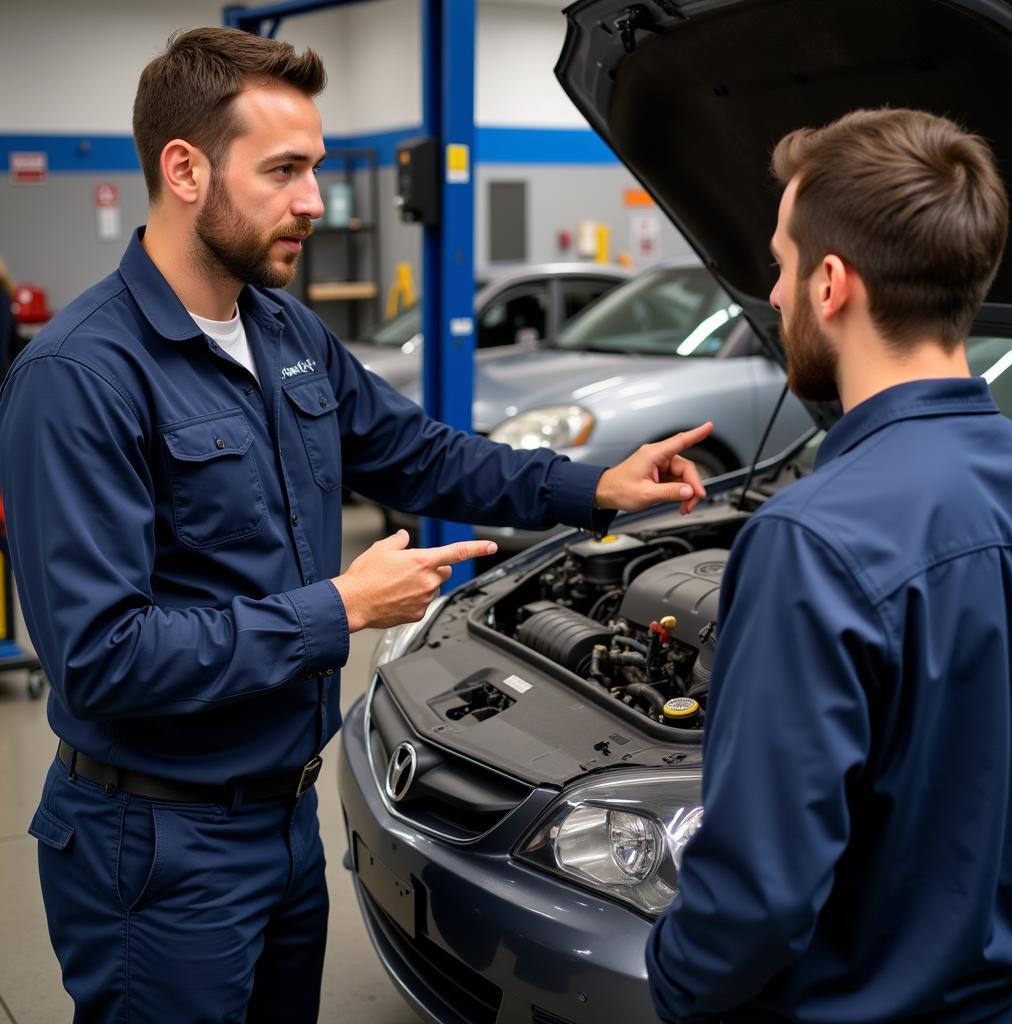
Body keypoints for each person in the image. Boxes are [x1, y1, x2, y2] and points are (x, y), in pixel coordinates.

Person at [0, 27, 713, 1024]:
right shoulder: (80, 378)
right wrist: (336, 608)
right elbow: (99, 656)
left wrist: (594, 487)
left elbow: (422, 454)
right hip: (156, 843)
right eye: (284, 170)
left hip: (284, 821)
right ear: (184, 169)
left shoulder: (283, 331)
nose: (314, 203)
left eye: (316, 170)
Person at [646, 108, 1012, 1022]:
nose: (769, 296)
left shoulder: (811, 541)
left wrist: (675, 977)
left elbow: (758, 898)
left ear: (829, 283)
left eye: (778, 264)